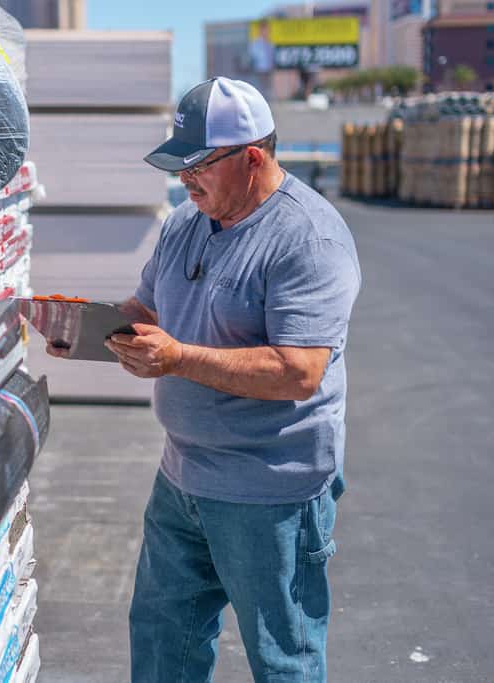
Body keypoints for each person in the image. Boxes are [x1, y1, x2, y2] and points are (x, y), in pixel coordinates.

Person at [48, 77, 361, 682]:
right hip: (182, 476)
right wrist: (84, 329)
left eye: (199, 166)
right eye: (180, 166)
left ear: (253, 157)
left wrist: (178, 359)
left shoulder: (309, 239)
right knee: (163, 638)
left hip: (269, 490)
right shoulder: (186, 223)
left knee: (282, 657)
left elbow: (299, 371)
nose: (186, 180)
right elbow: (147, 309)